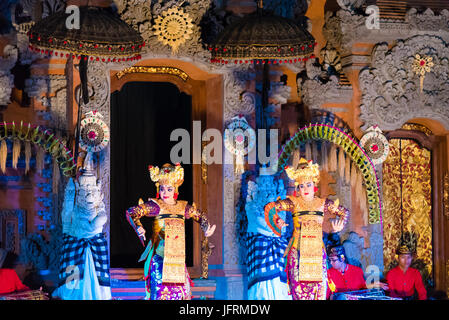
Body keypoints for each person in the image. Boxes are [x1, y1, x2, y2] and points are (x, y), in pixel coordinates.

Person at [126, 163, 216, 300]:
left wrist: (206, 227)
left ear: (175, 189)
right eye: (162, 189)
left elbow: (200, 216)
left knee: (181, 294)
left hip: (178, 260)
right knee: (161, 293)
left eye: (169, 189)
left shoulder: (183, 207)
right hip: (160, 258)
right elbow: (132, 212)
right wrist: (139, 226)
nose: (165, 193)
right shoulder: (155, 206)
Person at [264, 158, 349, 300]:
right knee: (299, 292)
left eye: (308, 185)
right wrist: (277, 221)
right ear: (297, 187)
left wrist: (341, 224)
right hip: (297, 253)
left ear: (314, 184)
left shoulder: (322, 203)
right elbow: (270, 208)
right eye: (301, 186)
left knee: (320, 292)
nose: (305, 189)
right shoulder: (294, 202)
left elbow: (344, 212)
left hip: (317, 253)